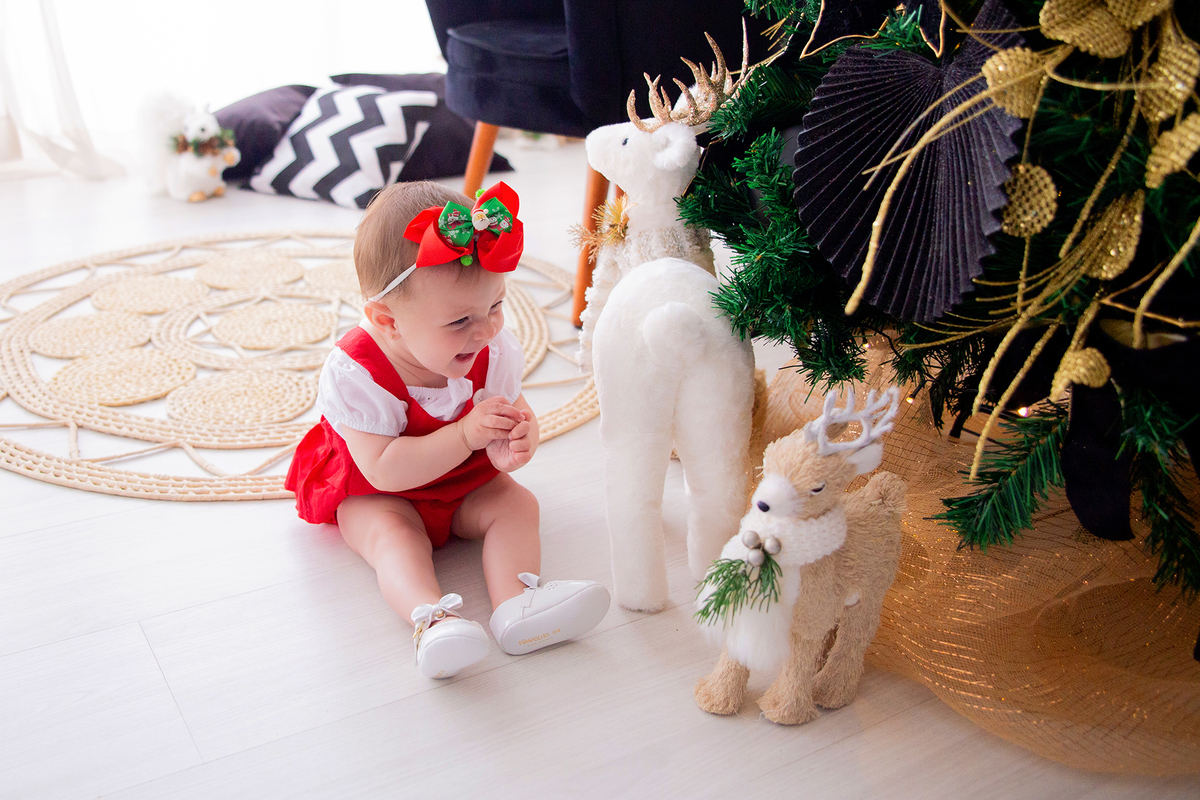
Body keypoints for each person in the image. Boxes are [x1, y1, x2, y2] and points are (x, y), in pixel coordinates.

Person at [286, 180, 610, 679]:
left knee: (517, 504)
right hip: (380, 492)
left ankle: (518, 604)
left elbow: (513, 406)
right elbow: (383, 470)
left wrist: (519, 436)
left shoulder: (489, 348)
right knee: (393, 538)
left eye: (495, 306)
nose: (486, 330)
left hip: (462, 482)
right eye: (460, 321)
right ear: (388, 322)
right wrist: (463, 436)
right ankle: (434, 621)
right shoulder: (358, 373)